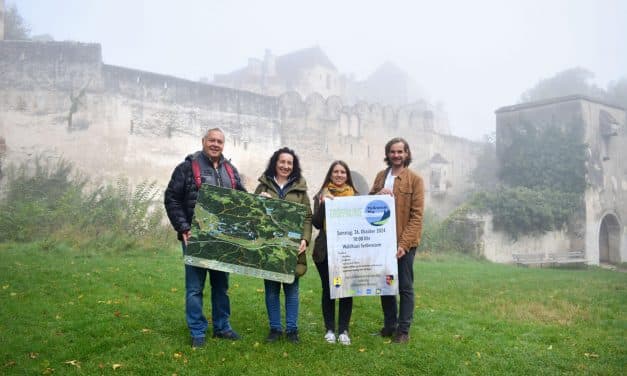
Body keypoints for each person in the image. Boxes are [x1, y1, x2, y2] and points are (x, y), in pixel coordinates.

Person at [164, 128, 247, 348]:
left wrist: (261, 199)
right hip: (196, 238)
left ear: (223, 145)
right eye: (212, 140)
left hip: (222, 239)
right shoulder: (187, 168)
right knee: (194, 287)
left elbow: (242, 200)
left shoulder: (231, 170)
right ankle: (197, 331)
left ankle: (222, 327)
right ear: (203, 141)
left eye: (220, 141)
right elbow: (171, 198)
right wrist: (183, 228)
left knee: (221, 286)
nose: (215, 144)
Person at [369, 137, 424, 344]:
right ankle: (389, 326)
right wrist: (377, 192)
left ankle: (403, 331)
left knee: (405, 287)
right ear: (388, 154)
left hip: (404, 243)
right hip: (383, 242)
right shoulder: (381, 176)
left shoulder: (415, 180)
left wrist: (404, 244)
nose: (396, 155)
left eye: (400, 152)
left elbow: (416, 216)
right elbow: (368, 203)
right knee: (385, 284)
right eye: (393, 152)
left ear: (407, 154)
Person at [254, 147, 312, 344]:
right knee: (271, 290)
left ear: (293, 166)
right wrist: (259, 202)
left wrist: (305, 239)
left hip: (291, 247)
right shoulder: (263, 186)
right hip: (269, 246)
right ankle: (275, 329)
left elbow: (307, 216)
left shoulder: (300, 188)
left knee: (292, 289)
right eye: (282, 162)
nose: (286, 166)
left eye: (290, 163)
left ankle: (292, 329)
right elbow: (253, 214)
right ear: (275, 163)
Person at [312, 160, 358, 345]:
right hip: (325, 249)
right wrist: (323, 205)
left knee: (346, 289)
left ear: (347, 176)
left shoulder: (355, 196)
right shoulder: (321, 195)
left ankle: (344, 330)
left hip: (348, 249)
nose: (339, 175)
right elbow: (316, 223)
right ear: (330, 175)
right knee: (328, 290)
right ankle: (330, 329)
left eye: (343, 172)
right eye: (335, 172)